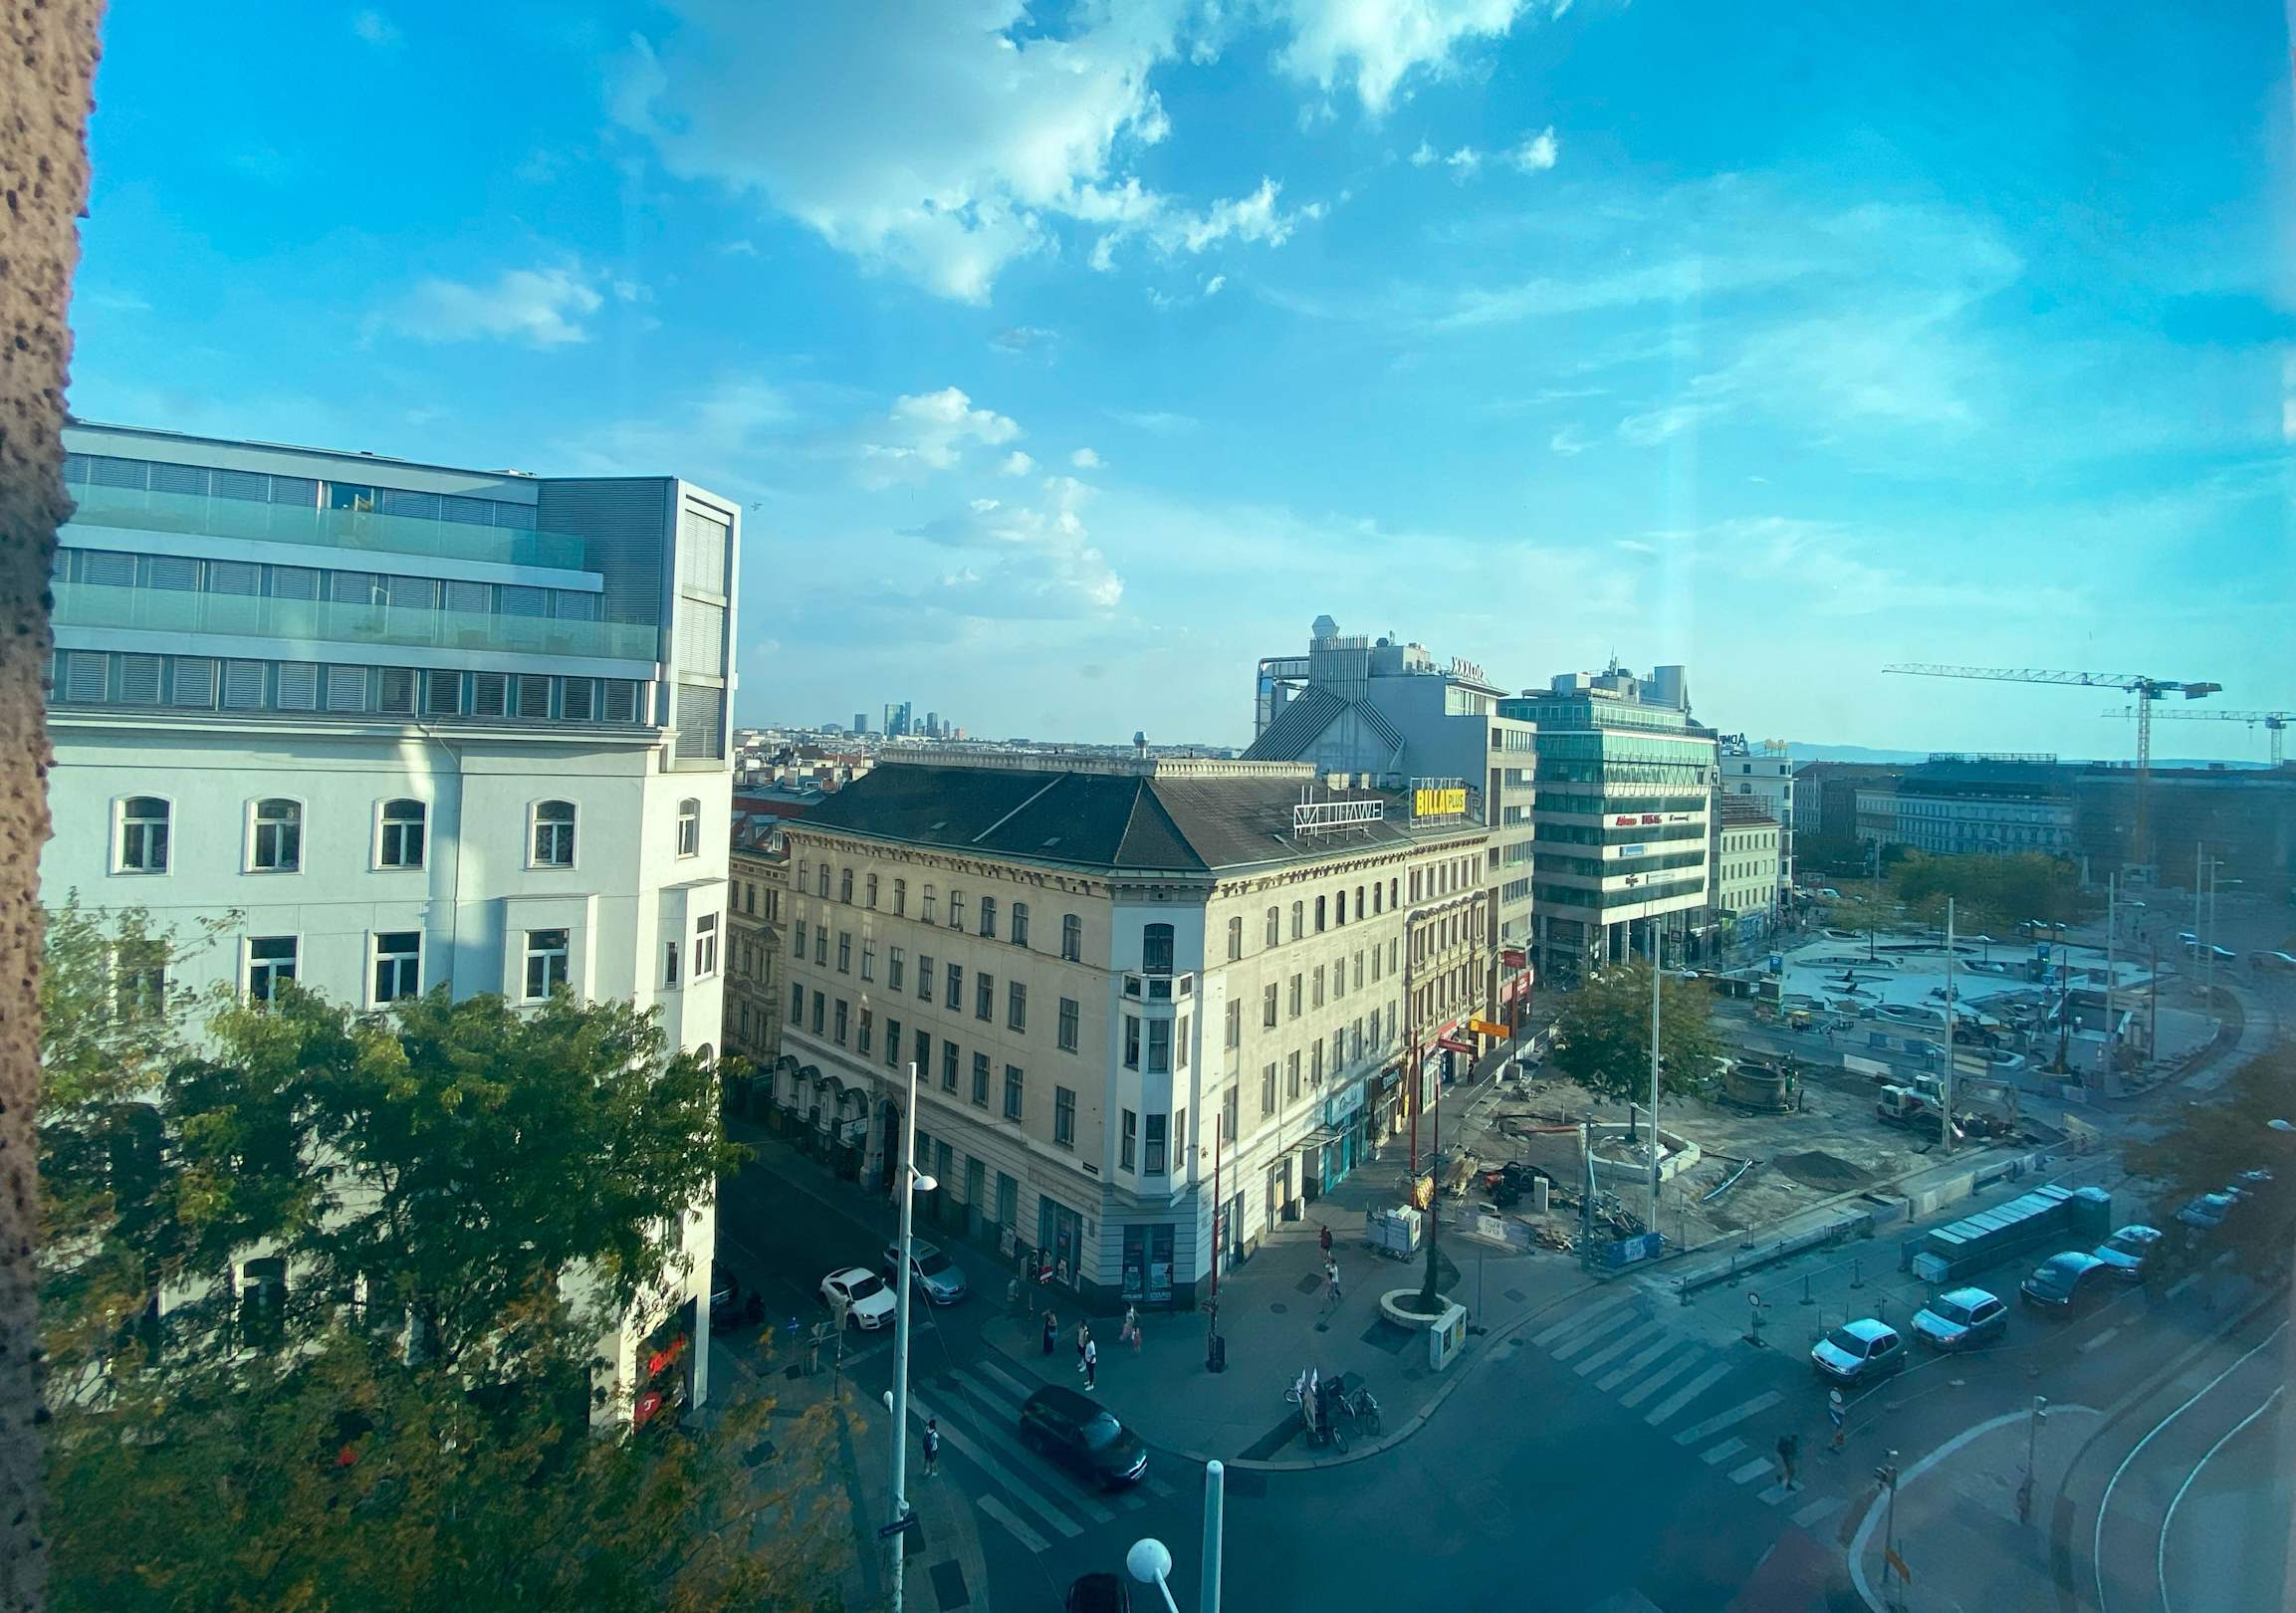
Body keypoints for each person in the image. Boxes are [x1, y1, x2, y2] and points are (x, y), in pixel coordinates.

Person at [1828, 1389, 1847, 1454]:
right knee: (1839, 1432)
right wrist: (1839, 1423)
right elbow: (1840, 1415)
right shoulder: (1838, 1409)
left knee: (1837, 1432)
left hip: (1835, 1418)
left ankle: (1834, 1444)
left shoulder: (1831, 1403)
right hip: (1837, 1419)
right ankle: (1836, 1446)